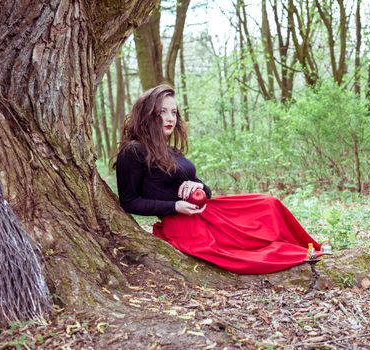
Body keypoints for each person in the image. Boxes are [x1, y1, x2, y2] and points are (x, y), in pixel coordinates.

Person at [115, 84, 321, 274]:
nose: (170, 118)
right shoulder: (133, 151)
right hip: (183, 223)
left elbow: (205, 189)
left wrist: (199, 187)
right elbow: (129, 202)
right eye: (162, 112)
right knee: (242, 253)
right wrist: (175, 206)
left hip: (206, 209)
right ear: (147, 114)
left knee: (268, 204)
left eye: (174, 112)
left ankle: (307, 247)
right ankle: (294, 253)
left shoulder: (171, 150)